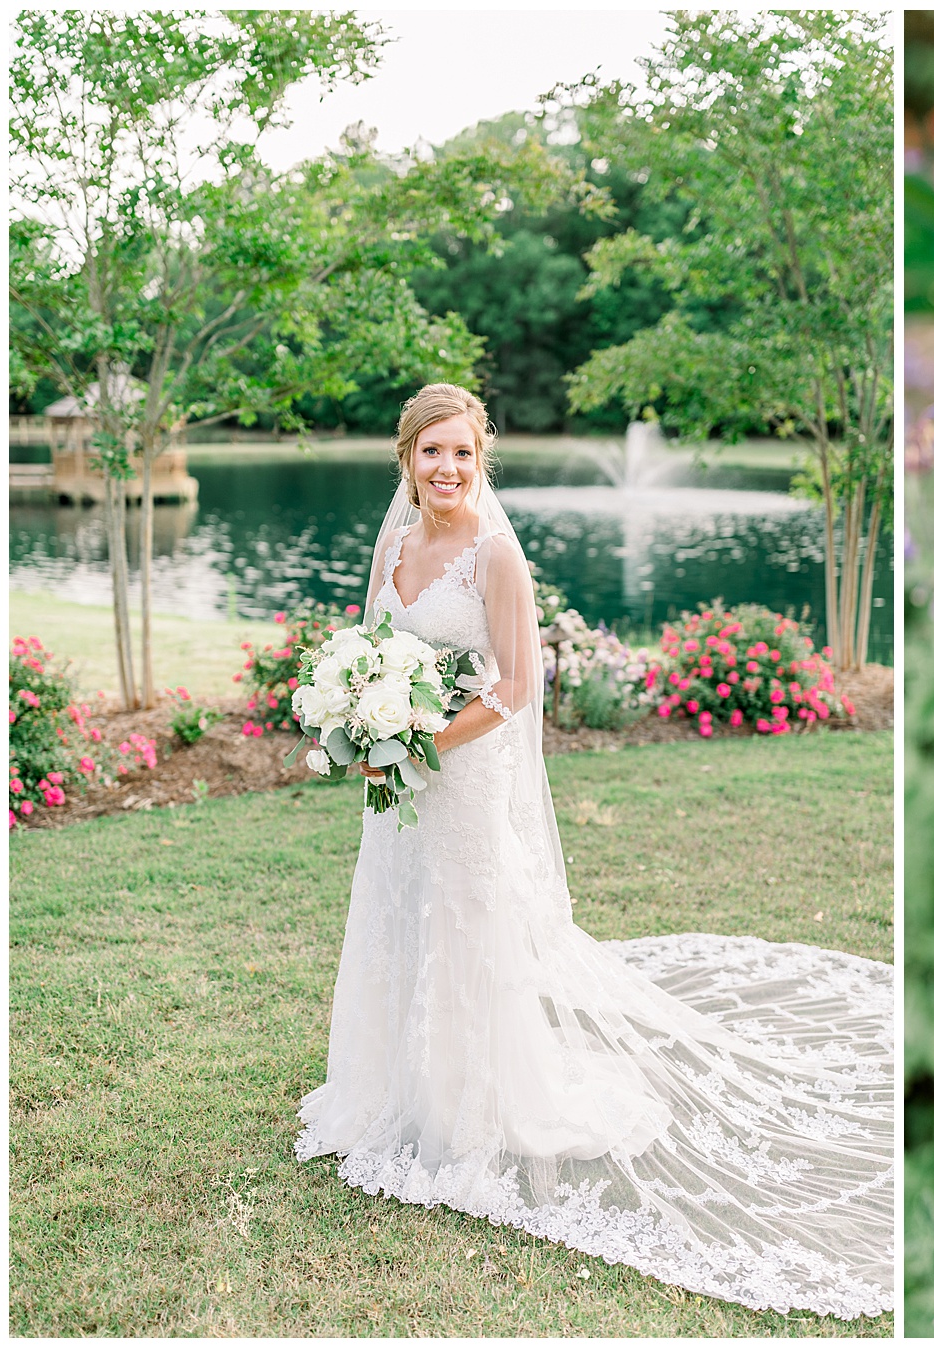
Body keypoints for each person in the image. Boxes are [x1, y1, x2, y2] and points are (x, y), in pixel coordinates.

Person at [295, 384, 892, 1320]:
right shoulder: (396, 545)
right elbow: (376, 648)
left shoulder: (497, 555)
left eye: (461, 452)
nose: (445, 469)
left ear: (480, 457)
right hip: (399, 780)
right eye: (429, 453)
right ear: (404, 460)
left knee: (465, 923)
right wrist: (362, 714)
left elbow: (520, 687)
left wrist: (419, 744)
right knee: (398, 913)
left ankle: (470, 1108)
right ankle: (393, 1090)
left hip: (460, 775)